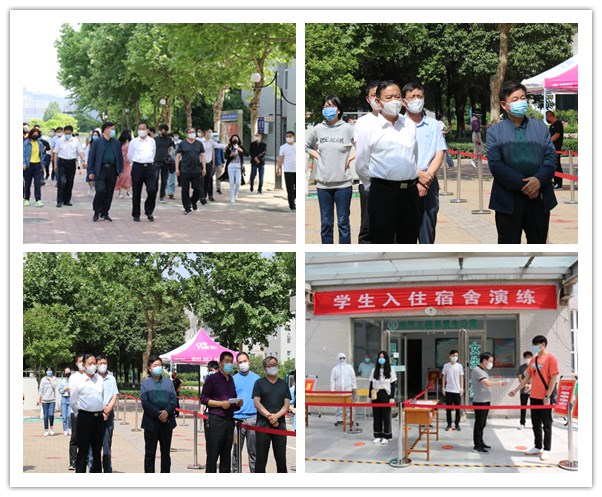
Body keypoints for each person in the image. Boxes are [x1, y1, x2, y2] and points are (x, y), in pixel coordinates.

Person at [486, 81, 558, 244]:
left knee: (538, 246)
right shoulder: (494, 132)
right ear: (504, 105)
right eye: (515, 99)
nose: (521, 102)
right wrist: (526, 186)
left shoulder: (540, 127)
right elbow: (496, 165)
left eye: (523, 98)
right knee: (509, 249)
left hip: (538, 198)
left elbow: (551, 157)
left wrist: (538, 180)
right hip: (508, 200)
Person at [355, 80, 419, 244]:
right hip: (382, 192)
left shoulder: (409, 125)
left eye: (397, 97)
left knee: (409, 240)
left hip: (409, 192)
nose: (394, 101)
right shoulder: (369, 128)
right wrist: (373, 186)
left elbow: (414, 156)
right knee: (382, 240)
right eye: (389, 97)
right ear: (378, 101)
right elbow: (362, 163)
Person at [305, 95, 355, 243]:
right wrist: (318, 156)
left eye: (331, 106)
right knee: (326, 223)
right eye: (325, 106)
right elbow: (307, 146)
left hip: (343, 184)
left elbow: (363, 146)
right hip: (323, 185)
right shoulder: (318, 129)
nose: (328, 109)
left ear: (339, 110)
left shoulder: (347, 129)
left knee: (343, 222)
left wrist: (350, 158)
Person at [402, 82, 447, 244]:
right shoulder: (398, 125)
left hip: (430, 181)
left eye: (419, 96)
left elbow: (439, 153)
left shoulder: (434, 125)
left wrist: (426, 179)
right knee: (405, 232)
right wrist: (417, 175)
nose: (416, 100)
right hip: (405, 182)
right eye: (412, 97)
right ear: (404, 101)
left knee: (427, 231)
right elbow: (396, 156)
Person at [509, 336, 559, 461]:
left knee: (546, 424)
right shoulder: (533, 360)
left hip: (545, 398)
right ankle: (537, 446)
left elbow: (554, 378)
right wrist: (516, 390)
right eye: (533, 345)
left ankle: (546, 450)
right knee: (535, 423)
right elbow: (527, 377)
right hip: (534, 396)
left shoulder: (551, 358)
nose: (534, 347)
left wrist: (547, 395)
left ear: (543, 344)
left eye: (536, 344)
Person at [201, 351, 243, 473]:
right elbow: (204, 399)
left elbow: (232, 398)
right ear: (220, 363)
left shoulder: (231, 379)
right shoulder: (212, 379)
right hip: (215, 420)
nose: (229, 364)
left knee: (226, 455)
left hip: (229, 421)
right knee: (213, 454)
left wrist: (237, 403)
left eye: (231, 362)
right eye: (226, 361)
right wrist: (220, 404)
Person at [353, 81, 381, 244]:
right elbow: (362, 153)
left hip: (392, 183)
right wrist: (368, 182)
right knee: (368, 225)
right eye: (373, 95)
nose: (377, 99)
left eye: (380, 95)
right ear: (367, 99)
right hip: (369, 182)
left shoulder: (400, 121)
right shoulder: (363, 122)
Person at [253, 356, 291, 473]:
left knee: (281, 459)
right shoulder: (259, 383)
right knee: (261, 460)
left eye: (275, 365)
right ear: (265, 368)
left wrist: (276, 416)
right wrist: (270, 416)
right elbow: (257, 403)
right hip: (263, 426)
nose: (273, 367)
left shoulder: (283, 384)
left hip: (280, 426)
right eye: (270, 366)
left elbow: (286, 405)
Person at [140, 356, 177, 473]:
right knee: (150, 454)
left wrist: (166, 412)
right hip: (151, 423)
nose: (158, 368)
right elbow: (145, 403)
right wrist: (158, 414)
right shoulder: (145, 384)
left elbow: (173, 399)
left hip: (167, 423)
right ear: (149, 368)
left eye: (159, 365)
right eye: (155, 365)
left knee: (165, 454)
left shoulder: (168, 382)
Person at [70, 353, 105, 473]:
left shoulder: (100, 380)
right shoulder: (78, 381)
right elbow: (73, 401)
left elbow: (101, 398)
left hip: (98, 418)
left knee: (97, 452)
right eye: (90, 363)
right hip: (84, 418)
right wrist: (78, 413)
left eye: (94, 363)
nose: (93, 366)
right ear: (84, 365)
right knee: (83, 451)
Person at [471, 352, 509, 454]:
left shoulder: (484, 371)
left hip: (485, 400)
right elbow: (487, 383)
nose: (491, 363)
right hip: (480, 401)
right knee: (479, 423)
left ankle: (481, 442)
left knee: (482, 424)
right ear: (484, 361)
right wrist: (499, 383)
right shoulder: (477, 370)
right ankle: (477, 446)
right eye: (490, 361)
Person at [87, 121, 124, 222]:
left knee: (109, 192)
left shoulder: (116, 143)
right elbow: (91, 158)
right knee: (100, 190)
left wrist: (120, 169)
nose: (113, 131)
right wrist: (90, 171)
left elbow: (119, 157)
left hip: (112, 170)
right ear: (105, 130)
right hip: (100, 169)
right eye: (112, 129)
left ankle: (105, 212)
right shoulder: (97, 142)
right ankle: (97, 211)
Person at [89, 354, 118, 473]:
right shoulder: (92, 378)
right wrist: (102, 409)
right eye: (100, 363)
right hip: (96, 414)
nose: (103, 365)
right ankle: (93, 469)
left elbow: (114, 395)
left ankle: (107, 470)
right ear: (96, 365)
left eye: (104, 363)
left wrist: (108, 408)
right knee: (93, 446)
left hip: (109, 414)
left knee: (107, 446)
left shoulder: (111, 379)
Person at [232, 351, 260, 473]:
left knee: (254, 451)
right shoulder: (232, 380)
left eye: (244, 361)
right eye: (240, 362)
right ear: (237, 364)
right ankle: (235, 473)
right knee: (236, 450)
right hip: (237, 419)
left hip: (253, 418)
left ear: (249, 362)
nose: (243, 364)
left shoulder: (257, 379)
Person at [128, 122, 158, 222]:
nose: (141, 131)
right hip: (137, 167)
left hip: (149, 167)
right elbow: (130, 156)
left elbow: (153, 154)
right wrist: (136, 163)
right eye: (139, 129)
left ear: (147, 130)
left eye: (143, 129)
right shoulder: (133, 142)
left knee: (152, 190)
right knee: (136, 191)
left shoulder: (152, 141)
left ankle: (149, 211)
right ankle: (136, 214)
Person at [175, 127, 206, 214]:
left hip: (197, 170)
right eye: (190, 132)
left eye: (193, 132)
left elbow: (202, 156)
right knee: (185, 189)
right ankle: (187, 207)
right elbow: (178, 156)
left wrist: (204, 168)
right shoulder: (182, 144)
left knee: (197, 188)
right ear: (186, 134)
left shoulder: (199, 144)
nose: (192, 133)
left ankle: (193, 200)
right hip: (185, 170)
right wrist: (177, 168)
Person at [369, 351, 396, 444]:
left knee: (386, 415)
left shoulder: (391, 370)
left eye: (383, 357)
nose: (381, 359)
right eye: (380, 357)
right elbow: (371, 384)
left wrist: (392, 397)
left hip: (386, 394)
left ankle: (386, 435)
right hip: (376, 394)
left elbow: (393, 384)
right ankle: (378, 435)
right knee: (376, 415)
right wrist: (370, 397)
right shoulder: (374, 370)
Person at [53, 125, 84, 208]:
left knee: (70, 182)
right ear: (64, 132)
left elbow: (80, 151)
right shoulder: (59, 141)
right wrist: (55, 164)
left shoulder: (76, 141)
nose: (68, 135)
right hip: (62, 162)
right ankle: (59, 200)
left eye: (69, 133)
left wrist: (83, 160)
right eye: (66, 133)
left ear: (71, 133)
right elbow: (56, 152)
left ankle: (67, 200)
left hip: (71, 163)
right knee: (61, 182)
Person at [66, 353, 85, 470]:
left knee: (86, 437)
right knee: (75, 437)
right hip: (76, 412)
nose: (82, 363)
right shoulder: (73, 377)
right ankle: (73, 461)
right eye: (80, 361)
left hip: (87, 412)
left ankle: (85, 459)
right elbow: (72, 395)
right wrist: (76, 410)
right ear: (76, 363)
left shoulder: (91, 376)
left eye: (84, 361)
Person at [330, 352, 357, 426]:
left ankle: (350, 419)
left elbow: (353, 378)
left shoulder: (349, 367)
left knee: (349, 405)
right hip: (338, 390)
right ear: (338, 359)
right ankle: (339, 419)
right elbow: (332, 380)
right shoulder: (335, 369)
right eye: (340, 358)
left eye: (343, 358)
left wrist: (354, 388)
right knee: (338, 406)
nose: (342, 359)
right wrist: (332, 390)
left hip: (348, 390)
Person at [199, 128, 225, 203]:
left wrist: (227, 146)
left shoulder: (211, 142)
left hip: (209, 163)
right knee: (202, 180)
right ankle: (202, 196)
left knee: (208, 180)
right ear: (205, 133)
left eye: (211, 133)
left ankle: (207, 195)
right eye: (209, 132)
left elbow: (218, 145)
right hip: (201, 163)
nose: (210, 134)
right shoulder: (200, 142)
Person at [442, 349, 464, 431]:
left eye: (456, 356)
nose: (455, 357)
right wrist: (443, 387)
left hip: (457, 390)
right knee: (448, 409)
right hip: (448, 390)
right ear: (450, 356)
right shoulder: (446, 366)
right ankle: (449, 424)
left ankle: (457, 424)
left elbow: (461, 377)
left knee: (458, 409)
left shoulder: (459, 366)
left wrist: (462, 388)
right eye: (453, 355)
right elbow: (444, 377)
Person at [23, 128, 45, 207]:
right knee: (27, 183)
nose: (35, 135)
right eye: (34, 134)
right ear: (31, 134)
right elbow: (23, 153)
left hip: (37, 165)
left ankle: (38, 200)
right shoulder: (26, 143)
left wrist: (42, 164)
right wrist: (23, 163)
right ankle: (27, 199)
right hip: (28, 165)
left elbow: (42, 154)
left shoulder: (40, 143)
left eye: (37, 134)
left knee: (37, 183)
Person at [276, 130, 297, 211]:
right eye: (287, 137)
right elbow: (280, 159)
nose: (288, 138)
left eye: (290, 136)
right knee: (290, 189)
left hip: (297, 170)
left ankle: (293, 198)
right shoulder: (283, 147)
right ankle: (292, 205)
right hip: (288, 170)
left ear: (293, 137)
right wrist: (278, 169)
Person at [223, 134, 246, 203]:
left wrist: (241, 150)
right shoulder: (229, 147)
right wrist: (230, 155)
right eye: (233, 138)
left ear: (238, 140)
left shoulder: (240, 147)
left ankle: (235, 194)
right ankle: (232, 197)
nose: (235, 140)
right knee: (231, 183)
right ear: (231, 140)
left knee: (238, 182)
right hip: (230, 167)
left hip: (238, 167)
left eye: (236, 138)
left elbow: (247, 153)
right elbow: (226, 156)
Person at [154, 124, 174, 202]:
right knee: (155, 178)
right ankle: (154, 193)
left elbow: (171, 148)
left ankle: (162, 195)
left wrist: (170, 155)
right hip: (156, 160)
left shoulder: (169, 139)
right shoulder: (155, 139)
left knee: (164, 180)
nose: (164, 132)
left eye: (165, 130)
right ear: (160, 130)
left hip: (166, 161)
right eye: (163, 130)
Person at [545, 110, 565, 189]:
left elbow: (556, 135)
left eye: (547, 118)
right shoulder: (551, 125)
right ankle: (555, 181)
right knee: (553, 165)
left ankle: (559, 183)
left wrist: (548, 142)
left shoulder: (558, 124)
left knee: (557, 165)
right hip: (551, 149)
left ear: (550, 116)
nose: (547, 119)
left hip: (556, 148)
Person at [516, 350, 533, 430]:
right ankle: (522, 423)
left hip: (533, 390)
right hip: (523, 390)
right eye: (526, 357)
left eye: (529, 357)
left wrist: (531, 385)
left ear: (532, 357)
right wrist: (525, 385)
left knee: (534, 408)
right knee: (523, 407)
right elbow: (520, 378)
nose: (528, 359)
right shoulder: (521, 367)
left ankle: (535, 424)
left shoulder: (534, 366)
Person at [37, 367, 57, 436]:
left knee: (51, 414)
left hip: (52, 400)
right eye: (48, 370)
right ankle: (46, 430)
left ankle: (51, 428)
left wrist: (50, 379)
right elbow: (41, 390)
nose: (49, 371)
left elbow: (54, 386)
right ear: (46, 371)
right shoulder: (43, 379)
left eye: (50, 370)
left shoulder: (54, 378)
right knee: (45, 416)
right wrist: (38, 398)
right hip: (44, 400)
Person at [115, 130, 133, 199]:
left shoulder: (131, 142)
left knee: (129, 176)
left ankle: (128, 191)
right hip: (121, 161)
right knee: (121, 176)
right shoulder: (119, 143)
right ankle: (120, 192)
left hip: (128, 162)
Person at [83, 130, 100, 196]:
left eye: (96, 135)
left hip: (97, 162)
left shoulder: (101, 144)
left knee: (97, 176)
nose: (95, 136)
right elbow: (86, 153)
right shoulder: (90, 144)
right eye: (94, 135)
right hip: (90, 162)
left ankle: (95, 189)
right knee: (89, 176)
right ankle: (91, 187)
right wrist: (85, 161)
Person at [58, 368, 72, 436]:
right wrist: (64, 389)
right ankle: (65, 430)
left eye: (69, 372)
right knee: (64, 417)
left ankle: (69, 428)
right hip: (64, 398)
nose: (68, 373)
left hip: (70, 398)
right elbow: (60, 391)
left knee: (69, 416)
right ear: (64, 373)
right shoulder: (62, 381)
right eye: (66, 372)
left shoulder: (72, 381)